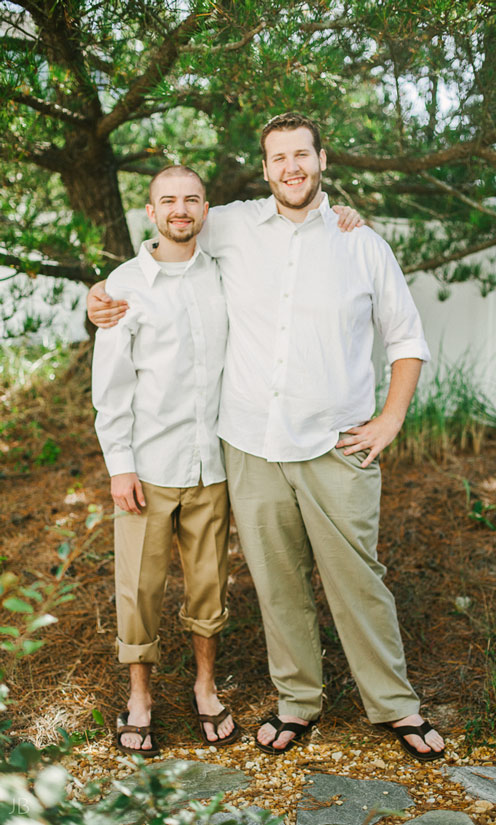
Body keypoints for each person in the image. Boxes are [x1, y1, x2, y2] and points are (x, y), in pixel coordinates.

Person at [89, 112, 445, 762]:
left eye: (301, 155)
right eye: (278, 157)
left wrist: (391, 418)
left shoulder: (360, 242)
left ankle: (395, 704)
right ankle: (297, 700)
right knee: (277, 583)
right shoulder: (230, 223)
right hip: (250, 446)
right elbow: (165, 237)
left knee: (358, 579)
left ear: (322, 160)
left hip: (337, 445)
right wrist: (100, 294)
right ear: (265, 168)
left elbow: (406, 337)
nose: (291, 168)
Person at [92, 166, 240, 755]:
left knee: (209, 583)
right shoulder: (123, 285)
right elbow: (111, 385)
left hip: (213, 464)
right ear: (150, 212)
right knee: (140, 587)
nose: (181, 209)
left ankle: (205, 686)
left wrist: (343, 216)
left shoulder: (228, 275)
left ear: (206, 208)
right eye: (168, 201)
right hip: (148, 466)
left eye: (192, 199)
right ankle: (141, 696)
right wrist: (118, 465)